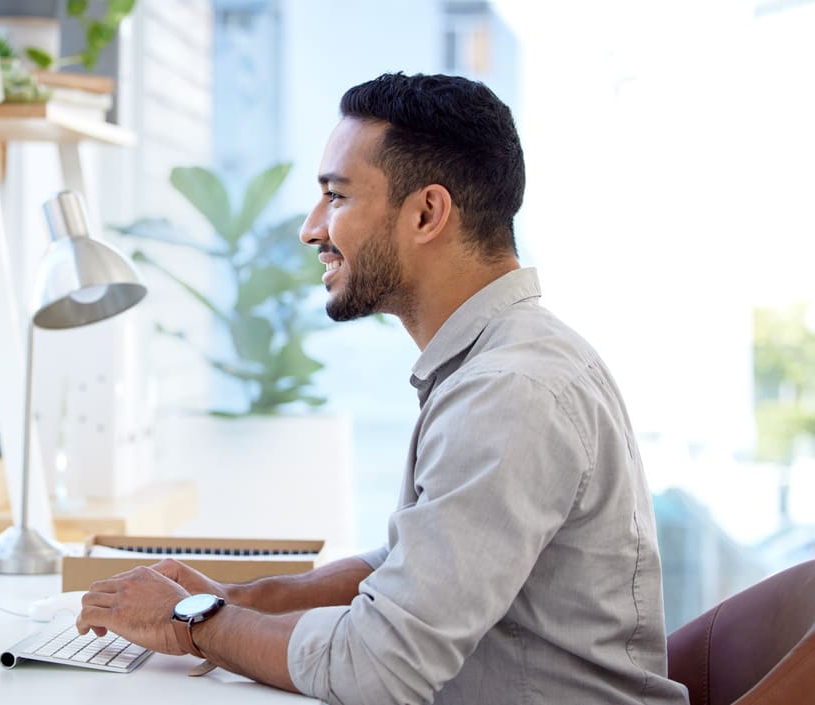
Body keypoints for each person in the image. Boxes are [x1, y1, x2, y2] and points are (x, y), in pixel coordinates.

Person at [75, 72, 689, 705]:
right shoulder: (504, 361)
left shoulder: (510, 392)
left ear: (426, 213)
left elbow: (378, 669)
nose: (312, 229)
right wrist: (236, 600)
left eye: (336, 197)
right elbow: (409, 568)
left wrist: (192, 623)